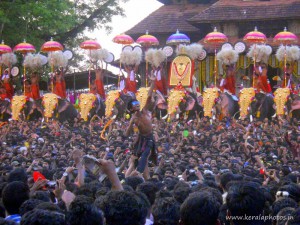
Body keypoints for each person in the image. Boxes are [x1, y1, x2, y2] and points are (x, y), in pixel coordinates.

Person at [125, 74, 157, 174]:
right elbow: (127, 134)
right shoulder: (134, 119)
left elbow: (149, 96)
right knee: (140, 158)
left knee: (146, 157)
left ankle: (140, 174)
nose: (137, 104)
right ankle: (136, 173)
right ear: (131, 109)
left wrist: (153, 82)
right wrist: (131, 123)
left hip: (150, 137)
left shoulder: (145, 110)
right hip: (142, 139)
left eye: (137, 102)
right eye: (134, 104)